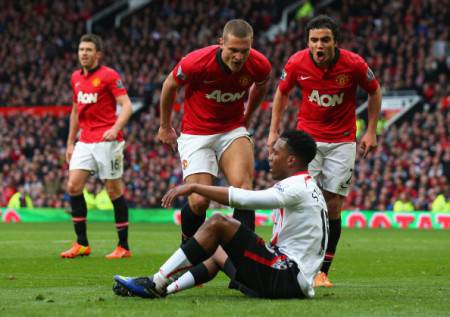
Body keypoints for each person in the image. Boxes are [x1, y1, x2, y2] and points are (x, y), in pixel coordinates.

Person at [113, 130, 328, 299]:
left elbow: (246, 199)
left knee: (218, 223)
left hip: (286, 276)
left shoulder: (297, 186)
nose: (270, 157)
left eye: (276, 153)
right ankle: (165, 289)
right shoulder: (308, 186)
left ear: (291, 160)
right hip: (290, 276)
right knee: (218, 251)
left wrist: (195, 188)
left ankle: (155, 282)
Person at [267, 15, 382, 287]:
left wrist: (370, 130)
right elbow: (281, 93)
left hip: (342, 141)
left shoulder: (354, 64)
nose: (319, 45)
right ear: (308, 42)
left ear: (335, 42)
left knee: (333, 204)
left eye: (325, 40)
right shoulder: (296, 62)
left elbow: (374, 92)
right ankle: (277, 254)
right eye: (314, 40)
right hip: (308, 140)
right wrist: (274, 131)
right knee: (290, 196)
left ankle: (322, 271)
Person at [157, 19, 272, 241]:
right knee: (199, 201)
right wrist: (165, 126)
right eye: (233, 50)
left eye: (244, 51)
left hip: (231, 130)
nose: (238, 57)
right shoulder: (197, 62)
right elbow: (169, 85)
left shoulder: (259, 64)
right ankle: (187, 253)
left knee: (244, 193)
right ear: (221, 43)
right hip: (196, 133)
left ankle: (245, 262)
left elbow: (261, 85)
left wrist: (247, 117)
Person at [60, 34, 133, 259]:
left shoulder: (109, 76)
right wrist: (70, 142)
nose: (84, 53)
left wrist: (115, 127)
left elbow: (126, 105)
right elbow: (75, 111)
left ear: (97, 54)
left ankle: (123, 247)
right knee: (73, 186)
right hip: (85, 140)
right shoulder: (75, 78)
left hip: (108, 141)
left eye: (88, 50)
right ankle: (82, 243)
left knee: (113, 190)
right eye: (81, 49)